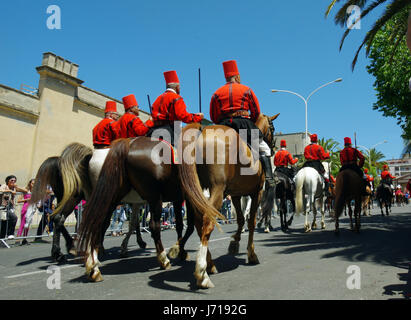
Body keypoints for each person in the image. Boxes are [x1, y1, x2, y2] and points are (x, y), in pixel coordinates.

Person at [209, 59, 276, 187]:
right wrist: (250, 118)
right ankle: (269, 178)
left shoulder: (216, 93)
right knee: (264, 149)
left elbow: (213, 116)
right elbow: (256, 111)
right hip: (244, 124)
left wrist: (222, 121)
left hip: (223, 126)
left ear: (226, 77)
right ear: (237, 76)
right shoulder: (246, 89)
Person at [146, 70, 203, 146]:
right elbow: (183, 116)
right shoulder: (176, 98)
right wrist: (197, 117)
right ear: (177, 87)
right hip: (169, 131)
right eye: (180, 87)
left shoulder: (157, 99)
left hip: (153, 131)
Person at [0, 175, 28, 240]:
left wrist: (17, 187)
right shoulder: (4, 186)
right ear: (8, 181)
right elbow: (1, 190)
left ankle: (3, 238)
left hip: (10, 207)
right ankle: (10, 234)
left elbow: (25, 191)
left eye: (14, 181)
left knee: (6, 222)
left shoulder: (14, 188)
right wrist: (10, 191)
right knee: (13, 218)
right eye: (11, 180)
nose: (13, 182)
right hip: (3, 207)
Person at [16, 179, 35, 245]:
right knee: (22, 224)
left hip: (32, 209)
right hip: (25, 208)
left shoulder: (35, 192)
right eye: (32, 183)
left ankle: (24, 239)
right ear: (30, 184)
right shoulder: (26, 191)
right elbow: (19, 200)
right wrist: (27, 199)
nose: (33, 185)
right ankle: (17, 239)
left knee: (28, 224)